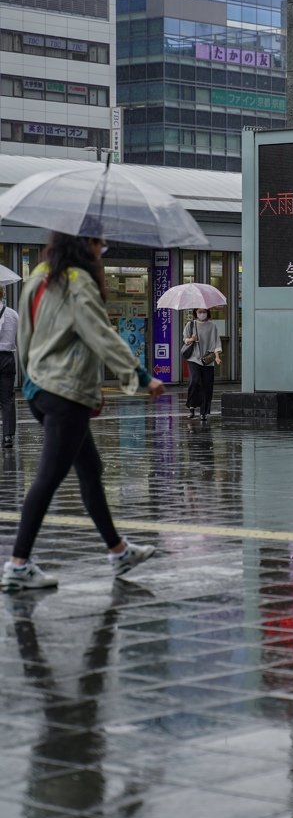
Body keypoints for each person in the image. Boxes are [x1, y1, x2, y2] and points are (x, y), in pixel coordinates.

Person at [1, 232, 165, 593]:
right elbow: (101, 334)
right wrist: (139, 376)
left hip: (43, 389)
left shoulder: (40, 276)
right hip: (66, 391)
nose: (102, 249)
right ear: (84, 244)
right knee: (47, 478)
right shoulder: (79, 281)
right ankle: (18, 563)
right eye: (99, 243)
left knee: (91, 471)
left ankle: (118, 550)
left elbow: (25, 338)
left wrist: (31, 382)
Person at [183, 308, 222, 421]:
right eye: (199, 312)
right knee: (194, 381)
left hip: (208, 359)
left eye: (204, 311)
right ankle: (191, 407)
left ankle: (203, 412)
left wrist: (217, 357)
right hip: (193, 358)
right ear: (195, 312)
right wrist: (191, 339)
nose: (202, 314)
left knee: (207, 385)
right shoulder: (191, 325)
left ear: (207, 312)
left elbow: (216, 342)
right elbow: (185, 340)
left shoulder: (212, 326)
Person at [0, 282, 18, 449]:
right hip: (7, 358)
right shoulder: (13, 314)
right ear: (3, 295)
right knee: (7, 399)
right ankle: (7, 436)